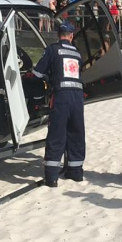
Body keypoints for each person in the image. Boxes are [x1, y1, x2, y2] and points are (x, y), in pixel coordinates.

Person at [31, 22, 86, 187]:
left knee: (56, 134)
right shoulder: (77, 53)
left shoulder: (52, 49)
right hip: (77, 98)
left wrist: (47, 78)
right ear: (71, 36)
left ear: (58, 35)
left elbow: (37, 73)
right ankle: (75, 172)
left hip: (61, 96)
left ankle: (52, 177)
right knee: (76, 133)